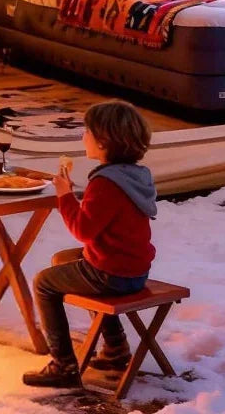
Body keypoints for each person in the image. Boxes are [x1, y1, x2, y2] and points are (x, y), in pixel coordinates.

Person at [23, 100, 157, 389]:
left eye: (87, 131)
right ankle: (115, 348)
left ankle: (63, 365)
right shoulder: (134, 175)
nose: (83, 136)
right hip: (135, 268)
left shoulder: (106, 183)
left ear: (105, 141)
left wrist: (64, 196)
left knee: (44, 282)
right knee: (62, 259)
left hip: (113, 273)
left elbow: (83, 230)